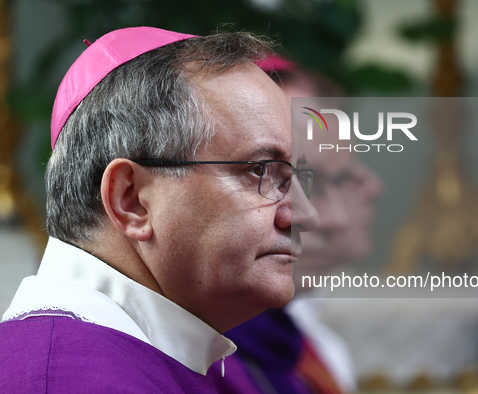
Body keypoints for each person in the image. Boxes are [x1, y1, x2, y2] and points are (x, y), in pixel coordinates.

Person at [0, 27, 319, 393]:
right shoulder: (68, 379)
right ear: (131, 200)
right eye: (260, 170)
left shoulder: (157, 354)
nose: (304, 216)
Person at [209, 56, 383, 394]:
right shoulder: (197, 356)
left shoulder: (291, 339)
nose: (319, 215)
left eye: (308, 179)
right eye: (270, 174)